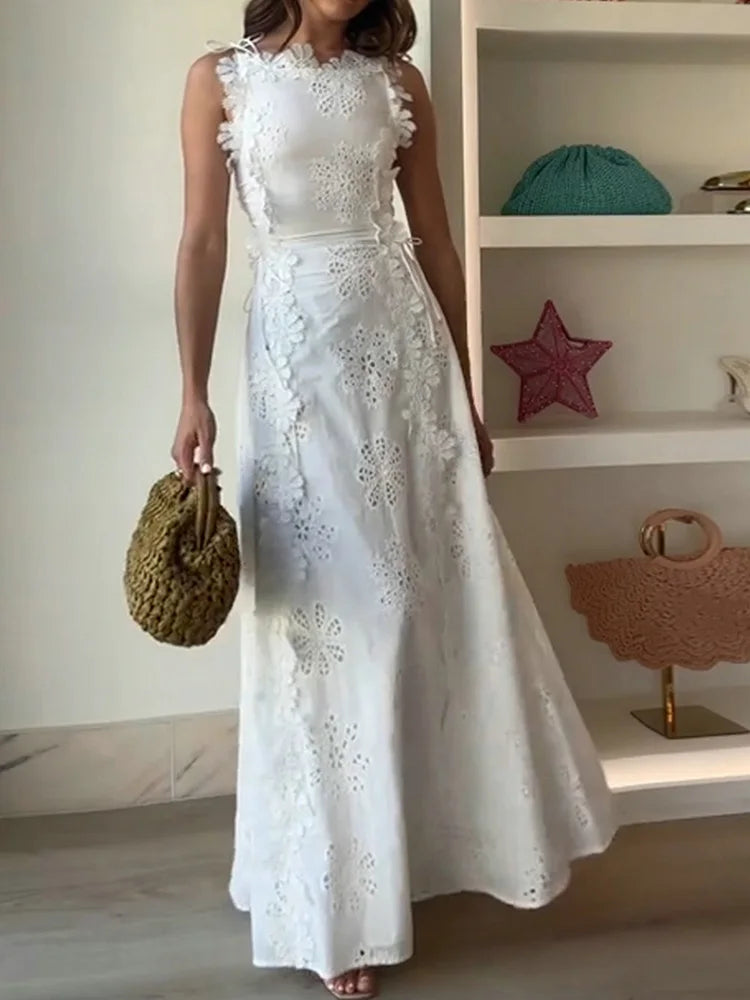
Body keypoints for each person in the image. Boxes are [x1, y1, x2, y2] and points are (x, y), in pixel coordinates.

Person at [171, 1, 616, 996]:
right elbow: (202, 242)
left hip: (404, 360)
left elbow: (438, 246)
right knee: (326, 619)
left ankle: (415, 855)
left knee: (420, 601)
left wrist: (467, 391)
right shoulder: (221, 79)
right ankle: (334, 897)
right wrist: (192, 392)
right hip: (294, 364)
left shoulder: (396, 83)